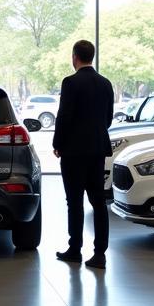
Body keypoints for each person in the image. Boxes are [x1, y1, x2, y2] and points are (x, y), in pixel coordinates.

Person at [52, 39, 114, 269]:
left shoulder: (70, 83)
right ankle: (100, 254)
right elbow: (108, 118)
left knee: (75, 201)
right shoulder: (105, 83)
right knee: (98, 201)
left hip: (74, 151)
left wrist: (58, 142)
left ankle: (75, 249)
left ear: (74, 57)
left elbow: (64, 116)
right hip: (97, 150)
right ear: (92, 57)